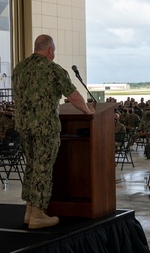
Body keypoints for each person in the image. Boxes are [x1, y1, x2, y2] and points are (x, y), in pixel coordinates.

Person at [12, 34, 94, 229]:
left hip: (23, 127)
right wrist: (88, 111)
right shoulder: (53, 70)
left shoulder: (19, 69)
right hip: (45, 128)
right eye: (54, 50)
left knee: (31, 166)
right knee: (43, 168)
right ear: (50, 50)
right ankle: (39, 215)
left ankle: (30, 210)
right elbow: (73, 96)